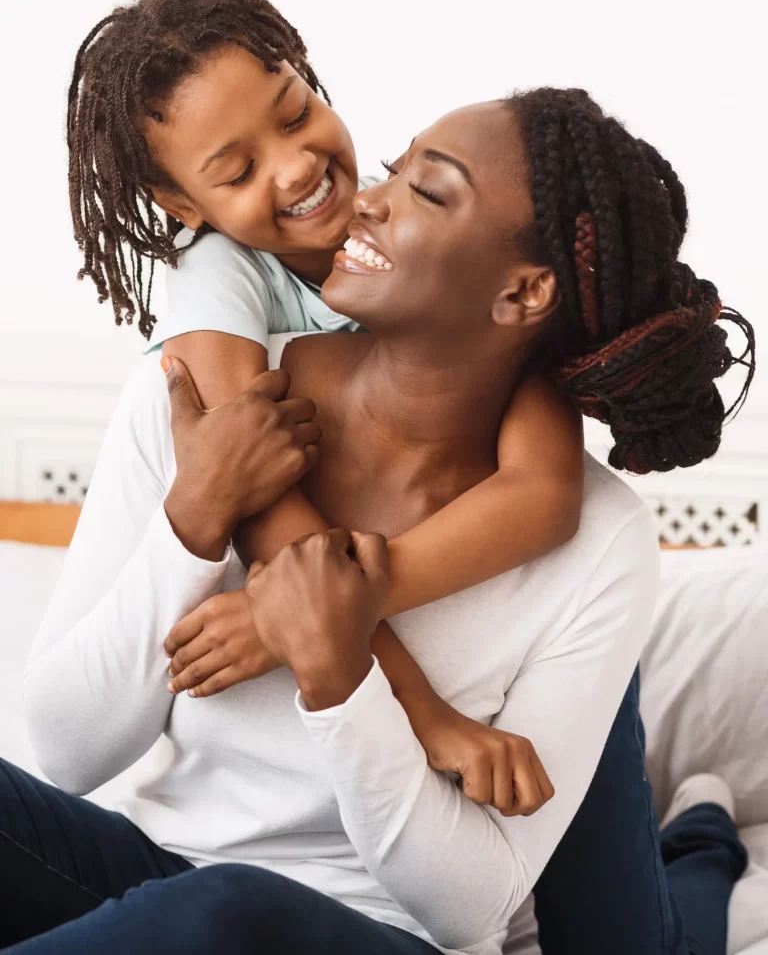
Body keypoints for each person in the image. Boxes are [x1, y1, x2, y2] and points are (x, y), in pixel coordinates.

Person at [4, 90, 751, 954]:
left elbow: (469, 907)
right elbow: (65, 753)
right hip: (145, 872)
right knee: (197, 905)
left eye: (428, 193)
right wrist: (193, 521)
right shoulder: (205, 407)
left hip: (369, 929)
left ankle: (702, 840)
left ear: (522, 292)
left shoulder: (597, 539)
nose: (364, 198)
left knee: (227, 910)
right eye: (395, 168)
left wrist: (339, 672)